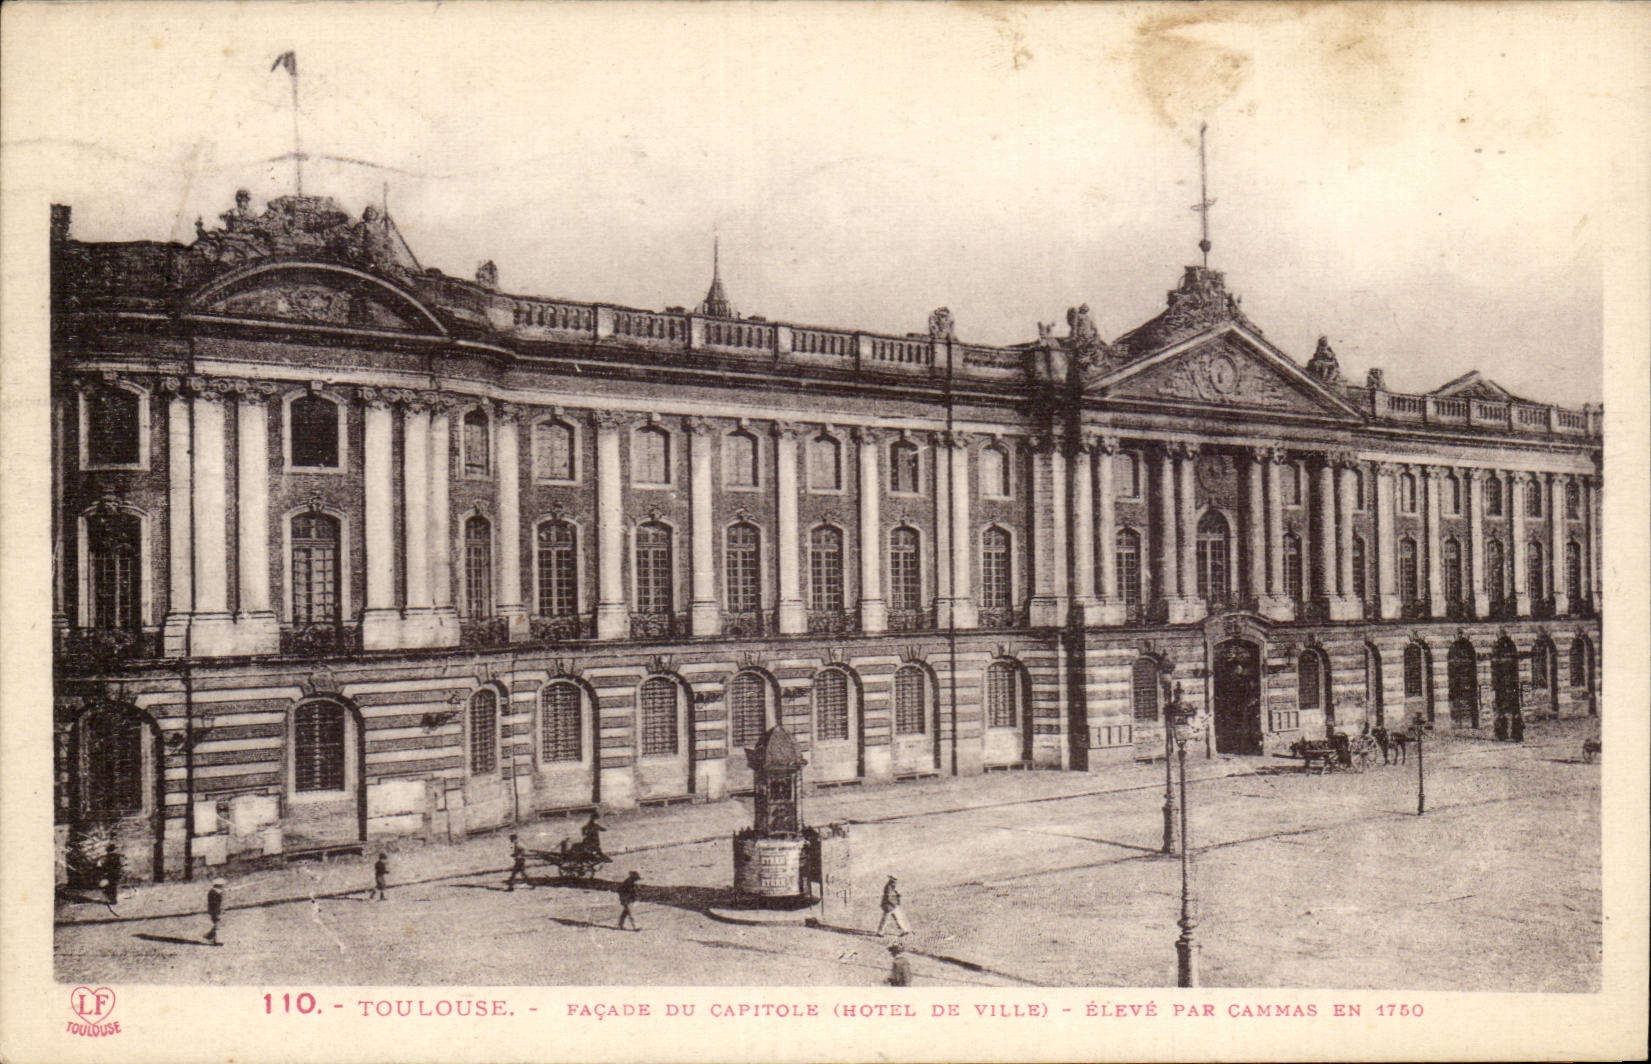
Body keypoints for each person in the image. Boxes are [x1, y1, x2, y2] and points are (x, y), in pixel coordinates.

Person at [99, 844, 124, 911]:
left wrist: (104, 871)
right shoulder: (117, 856)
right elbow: (119, 865)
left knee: (110, 886)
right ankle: (113, 899)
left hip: (110, 873)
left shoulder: (107, 857)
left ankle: (112, 899)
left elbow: (105, 865)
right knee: (113, 886)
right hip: (115, 873)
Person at [205, 879, 226, 945]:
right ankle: (211, 937)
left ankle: (211, 937)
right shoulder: (214, 893)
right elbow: (215, 904)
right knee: (218, 925)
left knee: (217, 924)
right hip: (215, 911)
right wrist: (218, 912)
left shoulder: (215, 892)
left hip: (215, 911)